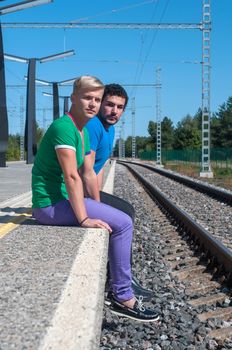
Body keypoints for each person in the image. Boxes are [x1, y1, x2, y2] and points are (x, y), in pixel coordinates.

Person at [31, 76, 159, 322]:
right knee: (123, 223)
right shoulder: (64, 127)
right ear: (73, 98)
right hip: (49, 204)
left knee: (122, 218)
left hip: (62, 199)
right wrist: (85, 218)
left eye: (96, 99)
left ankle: (122, 287)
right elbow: (71, 175)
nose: (92, 104)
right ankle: (123, 296)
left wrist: (96, 206)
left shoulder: (81, 131)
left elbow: (88, 172)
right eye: (87, 97)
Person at [86, 84, 154, 301]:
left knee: (128, 210)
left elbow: (98, 168)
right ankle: (117, 281)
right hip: (75, 191)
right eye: (109, 105)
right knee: (123, 217)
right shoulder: (93, 126)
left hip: (87, 189)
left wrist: (98, 196)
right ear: (100, 104)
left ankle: (120, 275)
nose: (114, 111)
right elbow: (86, 170)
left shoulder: (110, 129)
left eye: (120, 107)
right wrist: (97, 206)